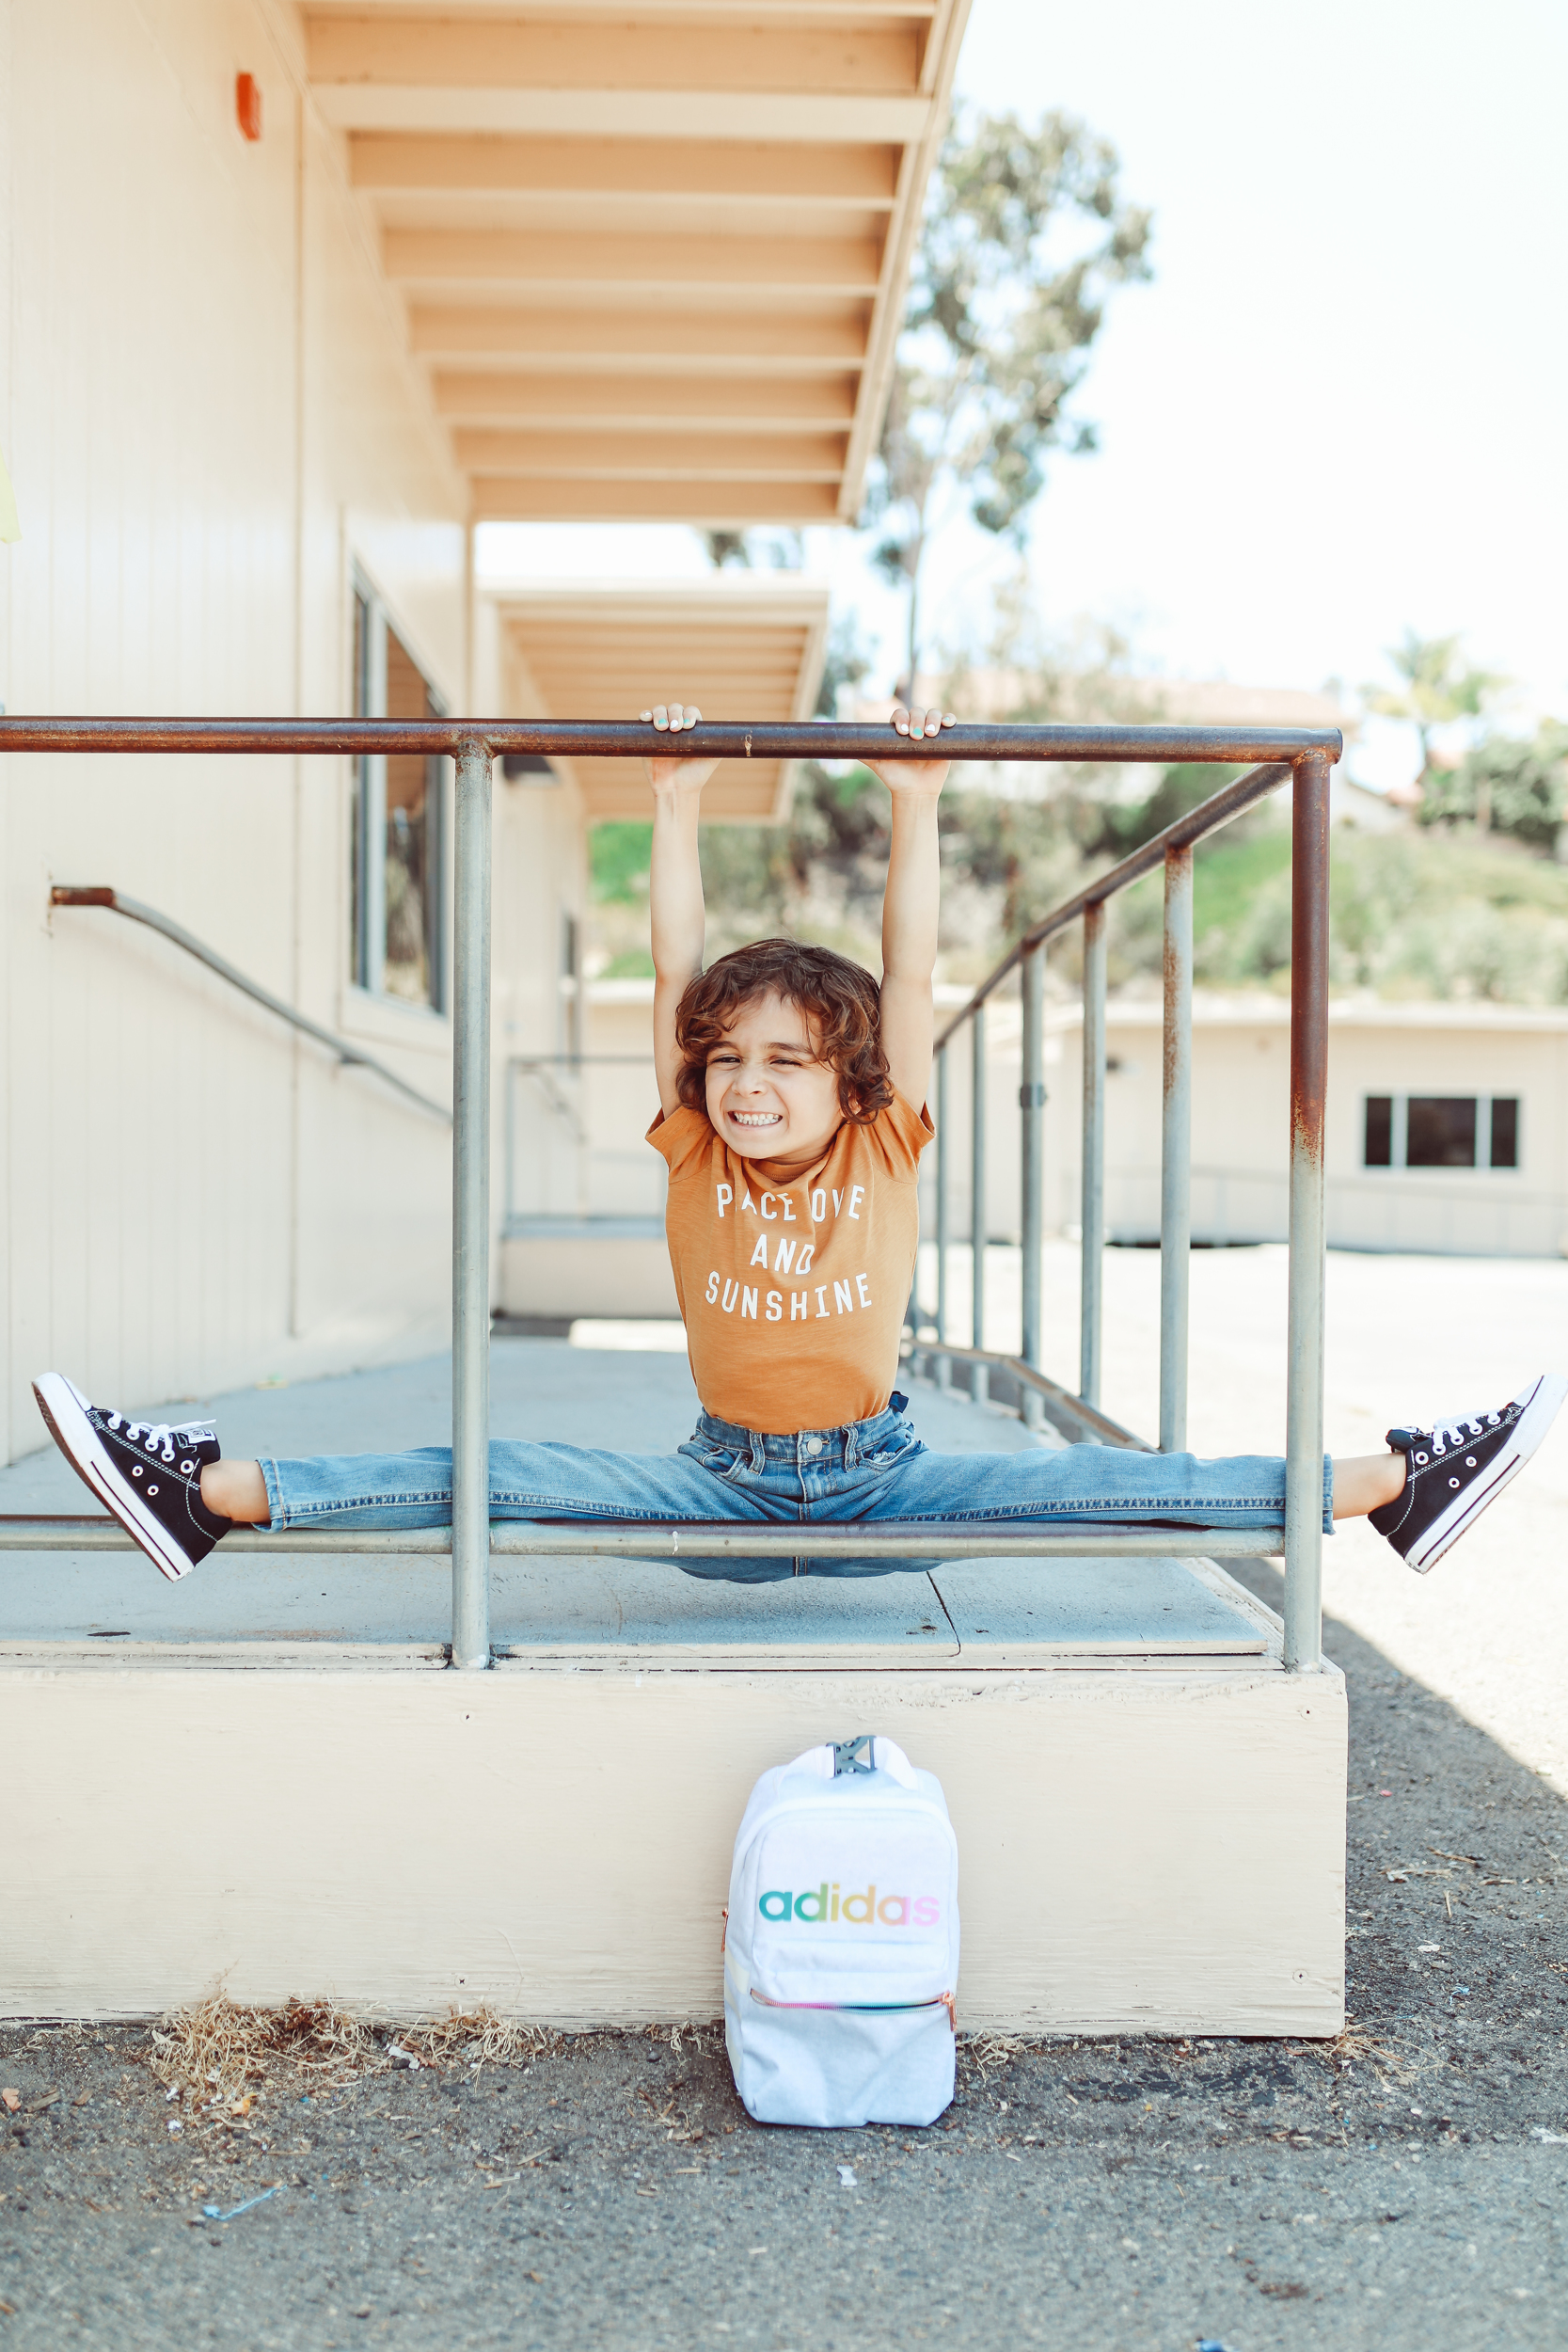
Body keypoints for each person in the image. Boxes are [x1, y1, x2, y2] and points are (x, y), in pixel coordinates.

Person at [32, 701, 1565, 1586]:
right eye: (728, 1060)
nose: (749, 1083)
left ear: (853, 1083)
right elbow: (677, 967)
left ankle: (1399, 1487)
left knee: (1130, 1480)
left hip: (887, 1477)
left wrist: (916, 807)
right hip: (720, 1487)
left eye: (786, 1064)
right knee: (490, 1465)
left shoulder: (886, 1145)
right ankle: (208, 1495)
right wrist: (676, 804)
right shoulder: (696, 1150)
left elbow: (910, 971)